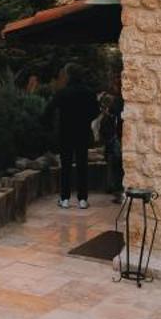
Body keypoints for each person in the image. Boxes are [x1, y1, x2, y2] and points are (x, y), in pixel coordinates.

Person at [49, 61, 99, 211]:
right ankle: (83, 199)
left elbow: (48, 110)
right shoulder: (89, 92)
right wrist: (85, 120)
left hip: (65, 133)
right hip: (82, 132)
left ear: (68, 75)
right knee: (82, 165)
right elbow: (95, 111)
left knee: (66, 166)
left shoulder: (62, 93)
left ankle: (64, 199)